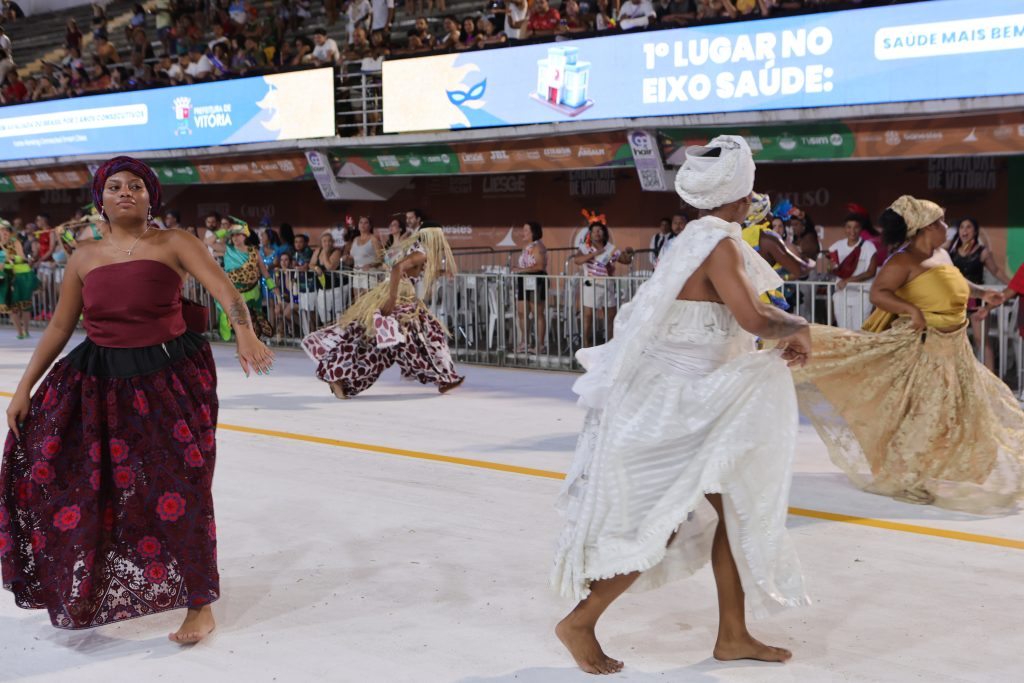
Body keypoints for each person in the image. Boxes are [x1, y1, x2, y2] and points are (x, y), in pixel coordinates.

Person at [552, 136, 811, 675]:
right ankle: (581, 621)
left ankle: (733, 635)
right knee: (663, 521)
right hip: (680, 406)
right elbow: (753, 319)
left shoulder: (694, 239)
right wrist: (798, 326)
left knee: (733, 513)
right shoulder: (716, 246)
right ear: (741, 195)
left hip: (695, 402)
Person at [1, 156, 273, 642]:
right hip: (101, 385)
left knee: (184, 485)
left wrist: (246, 334)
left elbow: (225, 291)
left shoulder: (174, 242)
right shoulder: (83, 256)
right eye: (115, 187)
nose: (126, 192)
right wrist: (23, 389)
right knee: (83, 484)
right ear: (99, 200)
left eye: (136, 187)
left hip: (170, 381)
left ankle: (199, 603)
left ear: (152, 197)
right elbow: (62, 326)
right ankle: (90, 586)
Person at [792, 195, 1023, 511]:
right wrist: (909, 309)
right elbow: (878, 293)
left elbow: (956, 283)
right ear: (925, 227)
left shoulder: (942, 254)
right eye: (941, 222)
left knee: (962, 411)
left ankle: (929, 471)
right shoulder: (902, 260)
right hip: (924, 348)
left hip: (955, 348)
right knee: (923, 414)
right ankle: (909, 480)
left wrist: (983, 293)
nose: (947, 226)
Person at [302, 227, 464, 398]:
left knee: (378, 347)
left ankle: (342, 380)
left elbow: (399, 266)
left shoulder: (416, 249)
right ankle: (444, 377)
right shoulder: (421, 252)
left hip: (400, 298)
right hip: (399, 300)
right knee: (426, 334)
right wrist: (393, 298)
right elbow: (397, 268)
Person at [948, 218, 1009, 371]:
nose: (965, 231)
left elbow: (995, 271)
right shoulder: (950, 250)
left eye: (968, 227)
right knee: (951, 339)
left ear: (975, 231)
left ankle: (992, 381)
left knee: (980, 339)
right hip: (955, 300)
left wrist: (1012, 284)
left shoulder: (982, 252)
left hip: (977, 301)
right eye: (962, 227)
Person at [741, 193, 813, 309]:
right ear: (762, 214)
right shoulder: (767, 237)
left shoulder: (737, 235)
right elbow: (800, 270)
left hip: (741, 302)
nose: (771, 215)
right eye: (768, 211)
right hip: (761, 305)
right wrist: (810, 263)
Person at [575, 221, 633, 347]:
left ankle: (610, 345)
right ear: (590, 233)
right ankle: (585, 346)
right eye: (594, 230)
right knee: (588, 316)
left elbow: (625, 260)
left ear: (604, 233)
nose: (597, 233)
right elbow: (577, 260)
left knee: (611, 315)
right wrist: (594, 254)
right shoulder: (584, 248)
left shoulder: (610, 249)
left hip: (608, 284)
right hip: (590, 283)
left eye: (600, 230)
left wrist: (629, 253)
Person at [217, 220, 275, 341]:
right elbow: (208, 241)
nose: (235, 238)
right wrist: (225, 231)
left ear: (244, 236)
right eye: (233, 235)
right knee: (241, 321)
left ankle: (253, 343)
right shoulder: (228, 250)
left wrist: (275, 289)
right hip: (235, 291)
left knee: (253, 321)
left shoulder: (254, 251)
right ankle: (245, 344)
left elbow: (264, 272)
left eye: (238, 235)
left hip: (253, 292)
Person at [828, 212, 879, 330]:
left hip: (862, 294)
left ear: (861, 229)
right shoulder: (836, 246)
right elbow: (831, 269)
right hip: (842, 294)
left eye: (856, 227)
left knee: (860, 331)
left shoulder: (869, 247)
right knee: (843, 331)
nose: (852, 231)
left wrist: (848, 280)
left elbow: (871, 272)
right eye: (849, 227)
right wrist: (831, 268)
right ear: (845, 229)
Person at [511, 221, 548, 354]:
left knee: (537, 313)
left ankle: (540, 345)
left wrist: (520, 270)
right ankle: (524, 342)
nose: (523, 233)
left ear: (534, 232)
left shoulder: (539, 247)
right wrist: (519, 270)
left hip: (536, 280)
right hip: (524, 280)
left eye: (526, 230)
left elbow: (539, 266)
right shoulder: (527, 246)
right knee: (521, 312)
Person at [1, 220, 37, 339]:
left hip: (22, 275)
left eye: (6, 230)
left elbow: (21, 257)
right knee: (11, 306)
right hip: (6, 276)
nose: (4, 232)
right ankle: (19, 332)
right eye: (2, 230)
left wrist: (10, 258)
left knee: (25, 304)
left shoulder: (14, 241)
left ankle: (26, 331)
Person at [344, 216, 384, 299]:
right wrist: (347, 259)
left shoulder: (373, 239)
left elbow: (381, 258)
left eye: (366, 223)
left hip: (370, 275)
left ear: (370, 226)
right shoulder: (355, 239)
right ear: (358, 225)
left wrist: (371, 265)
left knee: (369, 303)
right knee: (357, 301)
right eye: (361, 222)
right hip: (357, 275)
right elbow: (352, 258)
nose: (363, 225)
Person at [311, 231, 345, 326]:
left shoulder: (336, 252)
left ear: (333, 242)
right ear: (321, 243)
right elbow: (311, 264)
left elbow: (330, 267)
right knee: (324, 315)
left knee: (338, 315)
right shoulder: (318, 251)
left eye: (329, 241)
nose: (327, 243)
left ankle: (339, 335)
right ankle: (327, 334)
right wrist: (316, 268)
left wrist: (325, 253)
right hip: (322, 288)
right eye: (324, 241)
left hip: (336, 288)